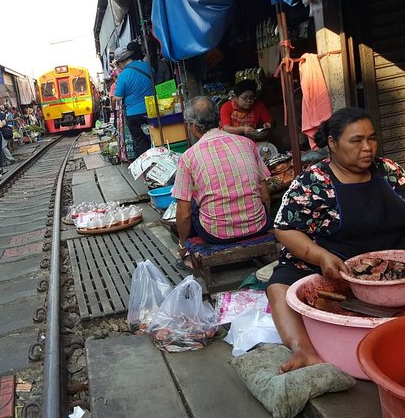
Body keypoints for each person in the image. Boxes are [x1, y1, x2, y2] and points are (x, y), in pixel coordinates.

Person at [267, 107, 405, 373]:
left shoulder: (389, 171)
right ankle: (304, 350)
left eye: (372, 138)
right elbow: (284, 228)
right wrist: (320, 256)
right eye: (357, 140)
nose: (367, 148)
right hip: (333, 266)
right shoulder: (313, 182)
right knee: (279, 288)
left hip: (391, 263)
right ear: (332, 143)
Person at [172, 96, 271, 258]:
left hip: (217, 235)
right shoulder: (247, 143)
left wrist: (183, 244)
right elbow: (265, 195)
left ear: (194, 127)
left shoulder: (188, 157)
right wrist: (262, 221)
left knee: (191, 205)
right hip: (258, 226)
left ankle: (189, 255)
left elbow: (183, 214)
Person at [112, 43, 155, 157]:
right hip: (152, 109)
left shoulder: (123, 75)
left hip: (134, 114)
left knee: (140, 140)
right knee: (156, 136)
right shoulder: (148, 67)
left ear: (121, 62)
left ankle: (147, 164)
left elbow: (118, 97)